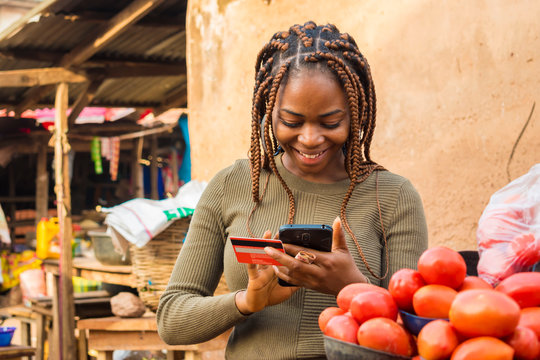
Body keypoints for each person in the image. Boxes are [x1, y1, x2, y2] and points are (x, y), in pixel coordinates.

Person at [157, 21, 428, 359]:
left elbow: (419, 334)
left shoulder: (392, 196)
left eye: (331, 123)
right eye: (291, 122)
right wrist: (246, 301)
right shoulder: (233, 185)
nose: (310, 139)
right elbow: (171, 320)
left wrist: (350, 285)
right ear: (266, 113)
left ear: (356, 114)